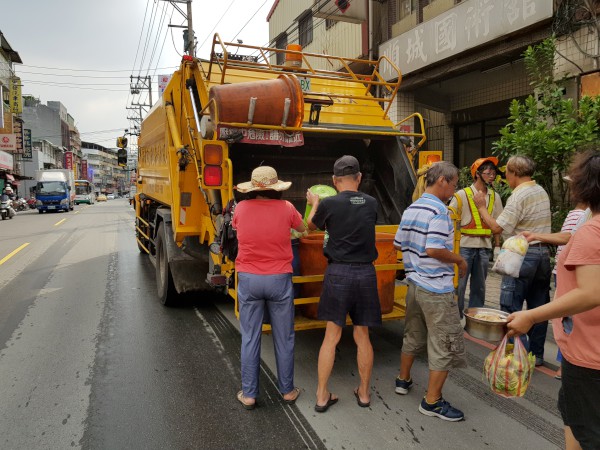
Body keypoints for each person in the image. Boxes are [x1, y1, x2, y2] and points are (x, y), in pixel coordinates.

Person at [506, 149, 600, 450]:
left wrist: (532, 316)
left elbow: (590, 293)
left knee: (586, 429)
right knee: (574, 419)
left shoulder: (591, 232)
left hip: (588, 354)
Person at [306, 155, 381, 412]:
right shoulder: (371, 202)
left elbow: (310, 227)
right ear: (359, 177)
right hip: (366, 274)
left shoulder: (329, 204)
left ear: (334, 180)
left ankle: (321, 395)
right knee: (362, 336)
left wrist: (315, 203)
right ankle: (364, 393)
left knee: (331, 336)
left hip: (338, 273)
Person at [394, 161, 468, 422]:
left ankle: (403, 380)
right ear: (442, 182)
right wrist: (458, 259)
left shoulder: (411, 209)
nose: (455, 190)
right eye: (455, 184)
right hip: (436, 289)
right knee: (444, 345)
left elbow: (396, 244)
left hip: (414, 284)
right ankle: (432, 401)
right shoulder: (439, 212)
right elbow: (434, 249)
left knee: (413, 334)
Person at [232, 166, 306, 410]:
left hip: (250, 279)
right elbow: (302, 229)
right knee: (284, 337)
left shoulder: (241, 208)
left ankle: (250, 394)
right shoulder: (286, 209)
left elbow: (236, 229)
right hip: (279, 279)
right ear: (276, 188)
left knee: (250, 337)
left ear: (253, 189)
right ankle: (287, 390)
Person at [473, 155, 551, 366]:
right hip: (542, 254)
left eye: (506, 172)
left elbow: (498, 227)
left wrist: (481, 207)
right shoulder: (541, 190)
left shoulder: (519, 195)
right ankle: (536, 355)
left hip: (521, 255)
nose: (504, 176)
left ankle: (514, 356)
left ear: (515, 173)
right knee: (539, 308)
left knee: (510, 306)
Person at [449, 157, 503, 317]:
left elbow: (498, 224)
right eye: (488, 171)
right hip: (464, 247)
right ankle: (455, 317)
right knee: (459, 285)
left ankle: (474, 319)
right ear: (477, 173)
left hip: (484, 248)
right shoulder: (462, 194)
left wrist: (498, 246)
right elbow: (450, 217)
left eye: (494, 171)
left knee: (479, 287)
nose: (492, 174)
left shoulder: (495, 197)